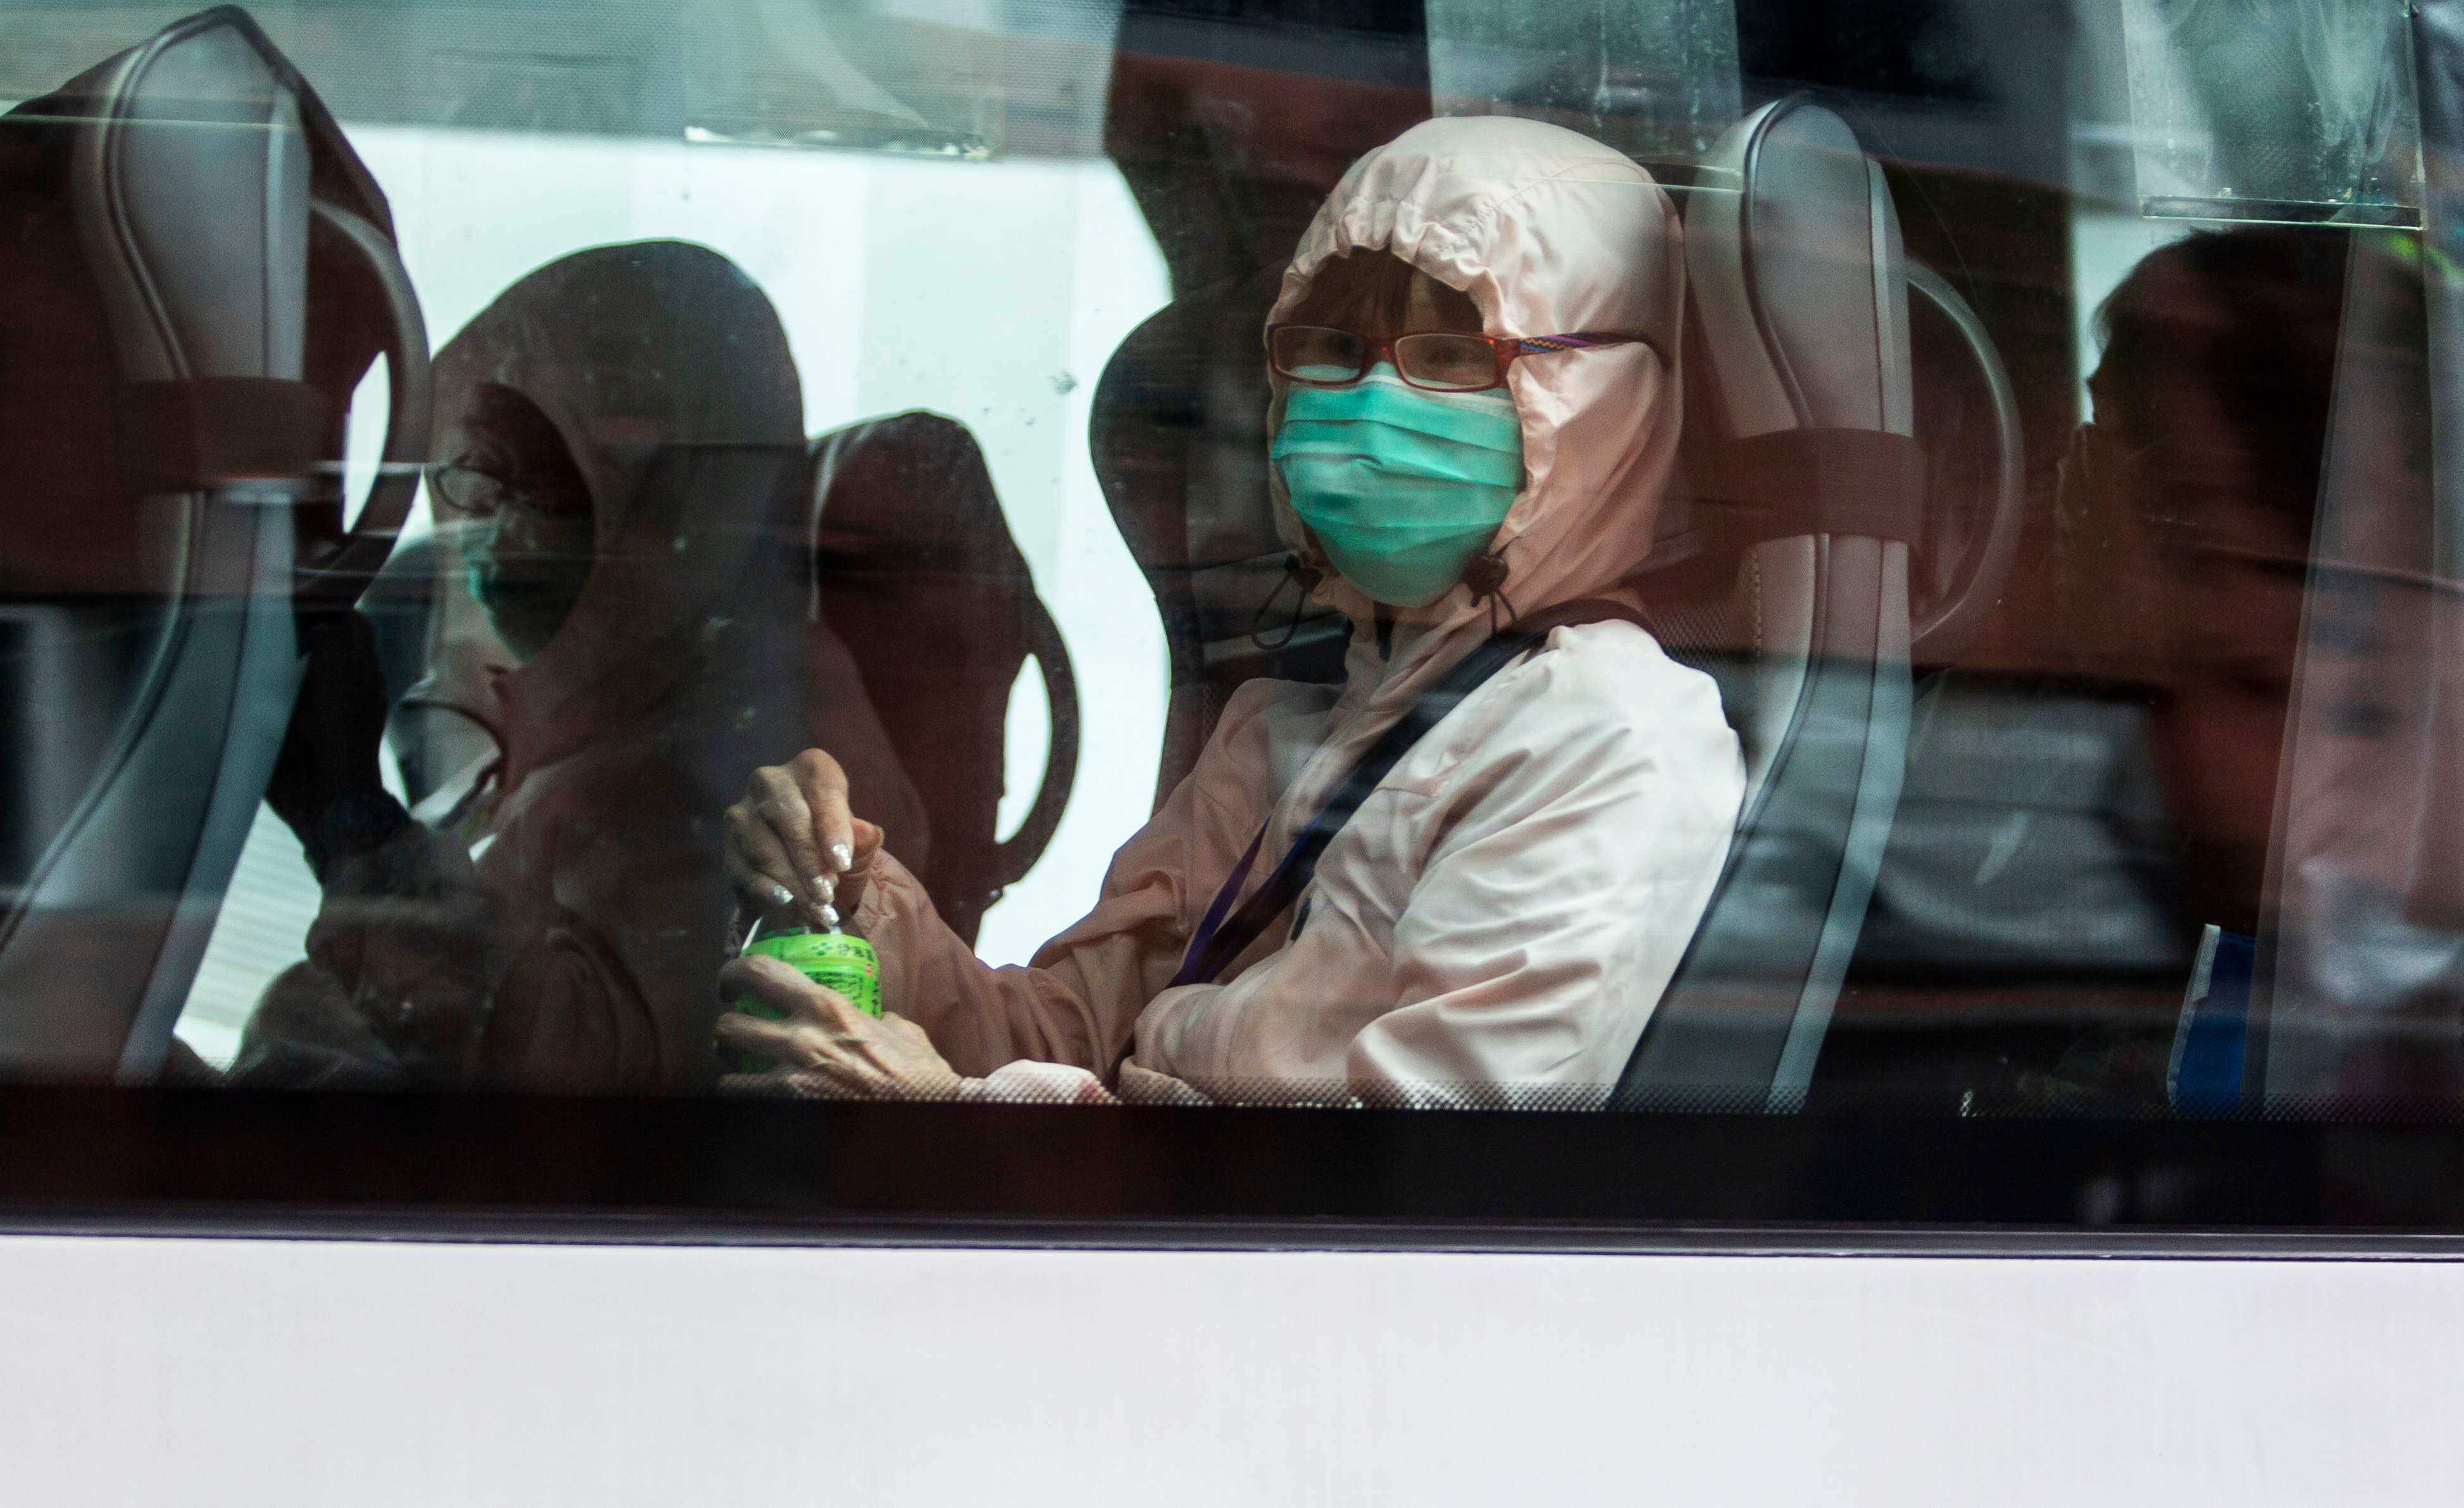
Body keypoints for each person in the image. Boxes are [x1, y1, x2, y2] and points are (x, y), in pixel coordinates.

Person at [717, 116, 1742, 1107]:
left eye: (1449, 357)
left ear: (1597, 397)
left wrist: (951, 1128)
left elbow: (1418, 1206)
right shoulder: (1289, 734)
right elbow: (1053, 1043)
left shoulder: (1607, 730)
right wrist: (857, 897)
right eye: (1332, 349)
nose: (1371, 406)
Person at [239, 242, 919, 1089]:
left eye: (532, 482)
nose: (495, 532)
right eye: (478, 482)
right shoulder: (637, 701)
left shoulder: (743, 759)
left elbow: (582, 1088)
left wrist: (352, 827)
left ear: (663, 499)